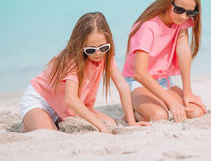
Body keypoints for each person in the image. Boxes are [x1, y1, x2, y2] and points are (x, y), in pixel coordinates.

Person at [20, 12, 149, 133]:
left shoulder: (106, 55)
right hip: (42, 101)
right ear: (81, 46)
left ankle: (56, 119)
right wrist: (101, 127)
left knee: (112, 124)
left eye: (103, 47)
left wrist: (131, 122)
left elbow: (122, 86)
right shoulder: (72, 59)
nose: (98, 53)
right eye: (91, 50)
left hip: (64, 106)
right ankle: (29, 122)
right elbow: (71, 99)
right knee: (48, 133)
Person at [123, 0, 207, 123]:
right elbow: (139, 73)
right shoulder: (147, 27)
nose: (183, 17)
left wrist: (188, 92)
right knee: (159, 116)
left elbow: (183, 51)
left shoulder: (182, 21)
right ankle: (134, 109)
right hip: (138, 83)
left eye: (190, 13)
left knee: (196, 111)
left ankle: (155, 103)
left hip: (163, 81)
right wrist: (171, 101)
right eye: (179, 10)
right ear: (169, 1)